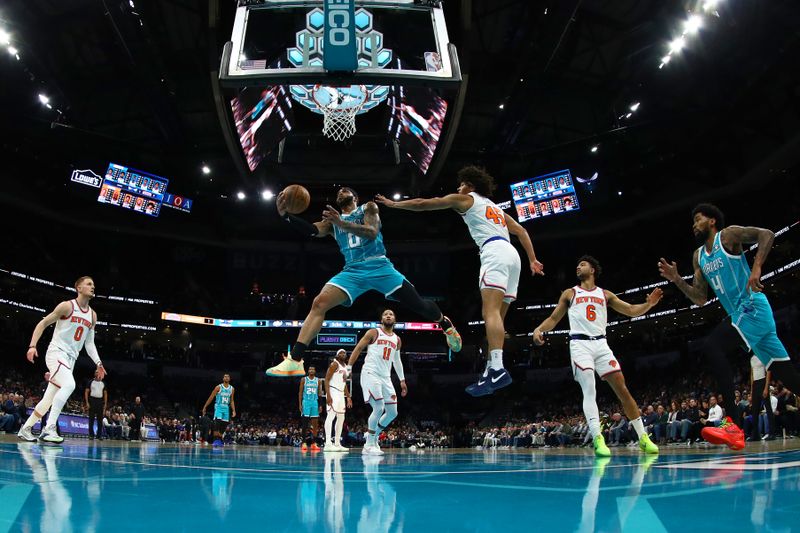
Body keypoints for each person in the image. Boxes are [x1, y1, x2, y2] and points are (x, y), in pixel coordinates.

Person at [376, 166, 544, 396]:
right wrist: (533, 259)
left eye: (461, 184)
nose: (458, 188)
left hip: (493, 251)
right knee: (497, 320)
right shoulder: (495, 208)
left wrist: (395, 205)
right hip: (513, 257)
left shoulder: (466, 199)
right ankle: (490, 371)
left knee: (490, 313)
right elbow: (522, 231)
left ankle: (497, 368)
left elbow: (425, 204)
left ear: (471, 186)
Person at [266, 186, 462, 377]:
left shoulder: (367, 208)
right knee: (319, 303)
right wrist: (286, 216)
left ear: (355, 198)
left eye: (346, 190)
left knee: (419, 305)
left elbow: (372, 232)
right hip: (352, 270)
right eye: (338, 192)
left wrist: (341, 224)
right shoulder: (333, 221)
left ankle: (444, 323)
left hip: (379, 266)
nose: (341, 191)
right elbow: (310, 230)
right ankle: (295, 360)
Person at [658, 203, 800, 450]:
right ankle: (734, 425)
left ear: (712, 221)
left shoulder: (729, 235)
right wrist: (677, 279)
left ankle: (733, 424)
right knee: (789, 378)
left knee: (712, 346)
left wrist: (756, 269)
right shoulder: (698, 256)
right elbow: (700, 298)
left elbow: (766, 234)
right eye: (693, 222)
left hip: (752, 307)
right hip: (743, 317)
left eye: (698, 220)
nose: (694, 225)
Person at [532, 256, 661, 456]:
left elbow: (630, 310)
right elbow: (553, 318)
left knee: (622, 389)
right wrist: (539, 329)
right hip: (580, 344)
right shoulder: (570, 293)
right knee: (589, 388)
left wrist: (649, 305)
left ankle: (643, 437)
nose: (578, 266)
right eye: (577, 264)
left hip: (601, 343)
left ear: (592, 270)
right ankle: (598, 439)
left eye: (582, 264)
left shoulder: (605, 294)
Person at [18, 276, 107, 443]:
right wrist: (32, 346)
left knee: (49, 399)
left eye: (93, 284)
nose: (92, 286)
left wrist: (99, 363)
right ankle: (49, 428)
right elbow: (43, 323)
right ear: (78, 288)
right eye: (89, 284)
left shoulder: (93, 316)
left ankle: (26, 429)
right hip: (56, 353)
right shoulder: (67, 306)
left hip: (70, 359)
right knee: (69, 384)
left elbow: (89, 344)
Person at [348, 309, 407, 455]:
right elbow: (359, 347)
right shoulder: (373, 332)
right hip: (370, 373)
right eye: (385, 314)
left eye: (391, 314)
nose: (388, 315)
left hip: (386, 377)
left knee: (393, 412)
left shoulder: (397, 340)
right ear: (381, 319)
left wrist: (402, 380)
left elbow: (397, 361)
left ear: (395, 319)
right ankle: (369, 445)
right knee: (379, 407)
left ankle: (372, 434)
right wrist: (349, 367)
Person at [324, 349, 352, 452]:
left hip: (341, 394)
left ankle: (337, 443)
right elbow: (326, 379)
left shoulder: (347, 367)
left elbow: (344, 383)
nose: (343, 354)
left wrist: (348, 397)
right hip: (333, 391)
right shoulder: (334, 364)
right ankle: (327, 443)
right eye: (340, 353)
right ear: (337, 355)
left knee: (341, 418)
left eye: (344, 353)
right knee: (331, 416)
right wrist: (328, 395)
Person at [202, 374, 236, 447]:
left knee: (223, 426)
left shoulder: (232, 389)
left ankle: (219, 439)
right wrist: (205, 406)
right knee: (217, 423)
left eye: (228, 377)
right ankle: (215, 440)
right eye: (225, 376)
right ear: (223, 378)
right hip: (219, 406)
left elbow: (232, 400)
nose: (226, 378)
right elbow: (211, 397)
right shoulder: (218, 387)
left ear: (229, 379)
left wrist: (234, 410)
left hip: (226, 408)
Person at [299, 366, 321, 451]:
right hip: (306, 402)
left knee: (315, 425)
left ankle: (313, 443)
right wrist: (300, 404)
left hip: (315, 402)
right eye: (310, 369)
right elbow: (300, 392)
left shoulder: (318, 380)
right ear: (308, 371)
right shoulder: (304, 380)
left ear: (315, 371)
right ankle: (304, 443)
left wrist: (320, 405)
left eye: (313, 369)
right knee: (305, 424)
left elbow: (319, 393)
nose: (311, 370)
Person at [84, 370, 107, 440]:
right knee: (91, 419)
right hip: (92, 400)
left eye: (98, 372)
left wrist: (105, 404)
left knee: (100, 419)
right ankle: (91, 435)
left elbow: (105, 394)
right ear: (94, 373)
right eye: (96, 372)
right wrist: (87, 402)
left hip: (100, 401)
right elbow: (86, 392)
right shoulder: (90, 382)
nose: (97, 373)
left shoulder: (103, 383)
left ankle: (99, 435)